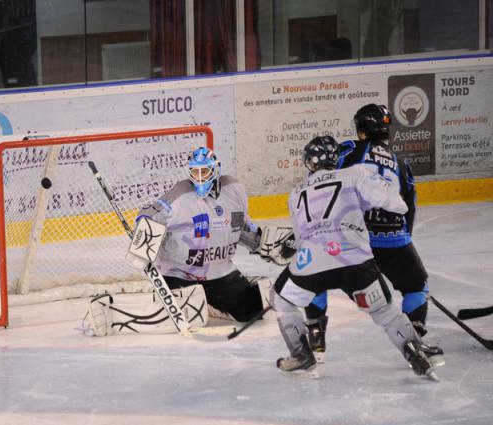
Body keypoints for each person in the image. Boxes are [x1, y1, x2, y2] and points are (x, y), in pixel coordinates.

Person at [270, 135, 438, 380]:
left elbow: (301, 236)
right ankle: (415, 351)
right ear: (336, 159)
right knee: (386, 311)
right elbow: (395, 203)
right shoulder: (354, 173)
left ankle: (301, 353)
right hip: (356, 263)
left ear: (309, 162)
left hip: (312, 264)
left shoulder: (296, 193)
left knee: (281, 297)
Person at [80, 147, 284, 336]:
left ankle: (212, 304)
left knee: (254, 311)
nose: (200, 177)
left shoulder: (234, 190)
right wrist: (144, 238)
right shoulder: (181, 195)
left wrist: (260, 242)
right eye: (196, 172)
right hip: (180, 275)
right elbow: (148, 215)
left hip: (220, 273)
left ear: (216, 170)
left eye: (205, 171)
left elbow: (240, 227)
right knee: (182, 316)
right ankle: (109, 312)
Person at [304, 104, 443, 365]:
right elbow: (408, 206)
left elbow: (323, 181)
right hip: (393, 241)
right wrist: (404, 244)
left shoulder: (349, 150)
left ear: (361, 131)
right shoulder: (402, 164)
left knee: (315, 274)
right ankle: (414, 341)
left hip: (352, 238)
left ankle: (315, 333)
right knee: (416, 286)